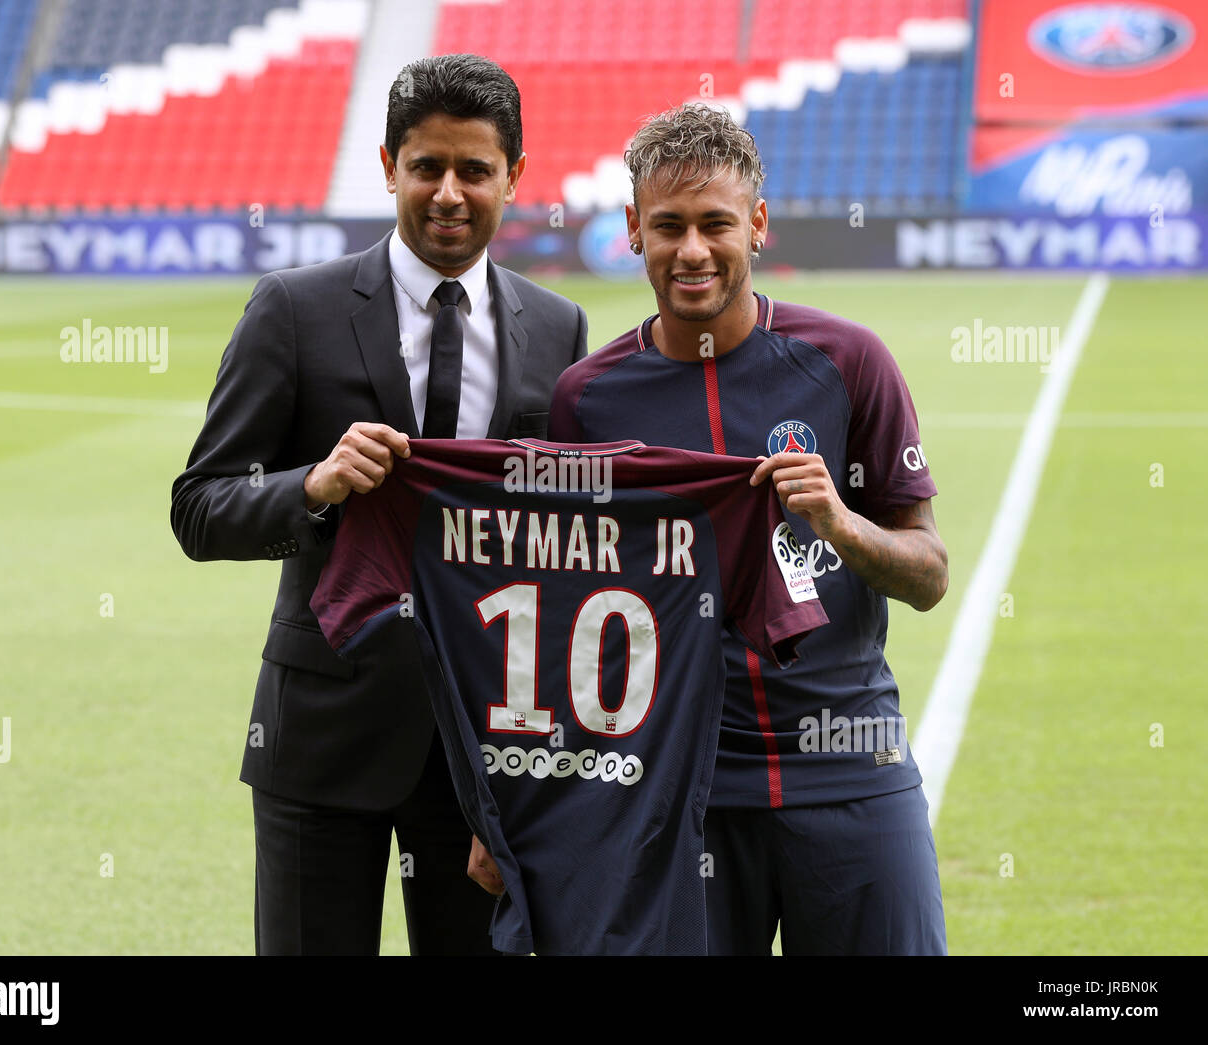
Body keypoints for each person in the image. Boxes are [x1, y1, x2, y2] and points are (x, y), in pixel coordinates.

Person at [171, 53, 587, 955]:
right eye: (425, 166)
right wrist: (312, 485)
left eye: (474, 170)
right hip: (321, 745)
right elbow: (199, 508)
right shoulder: (293, 309)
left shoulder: (557, 330)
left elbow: (561, 548)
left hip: (486, 754)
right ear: (388, 165)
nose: (447, 192)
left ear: (515, 176)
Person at [539, 103, 949, 954]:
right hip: (680, 790)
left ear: (756, 224)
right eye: (669, 226)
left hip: (850, 764)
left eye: (715, 223)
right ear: (632, 231)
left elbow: (928, 574)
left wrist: (840, 522)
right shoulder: (586, 399)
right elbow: (562, 617)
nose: (692, 250)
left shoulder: (848, 362)